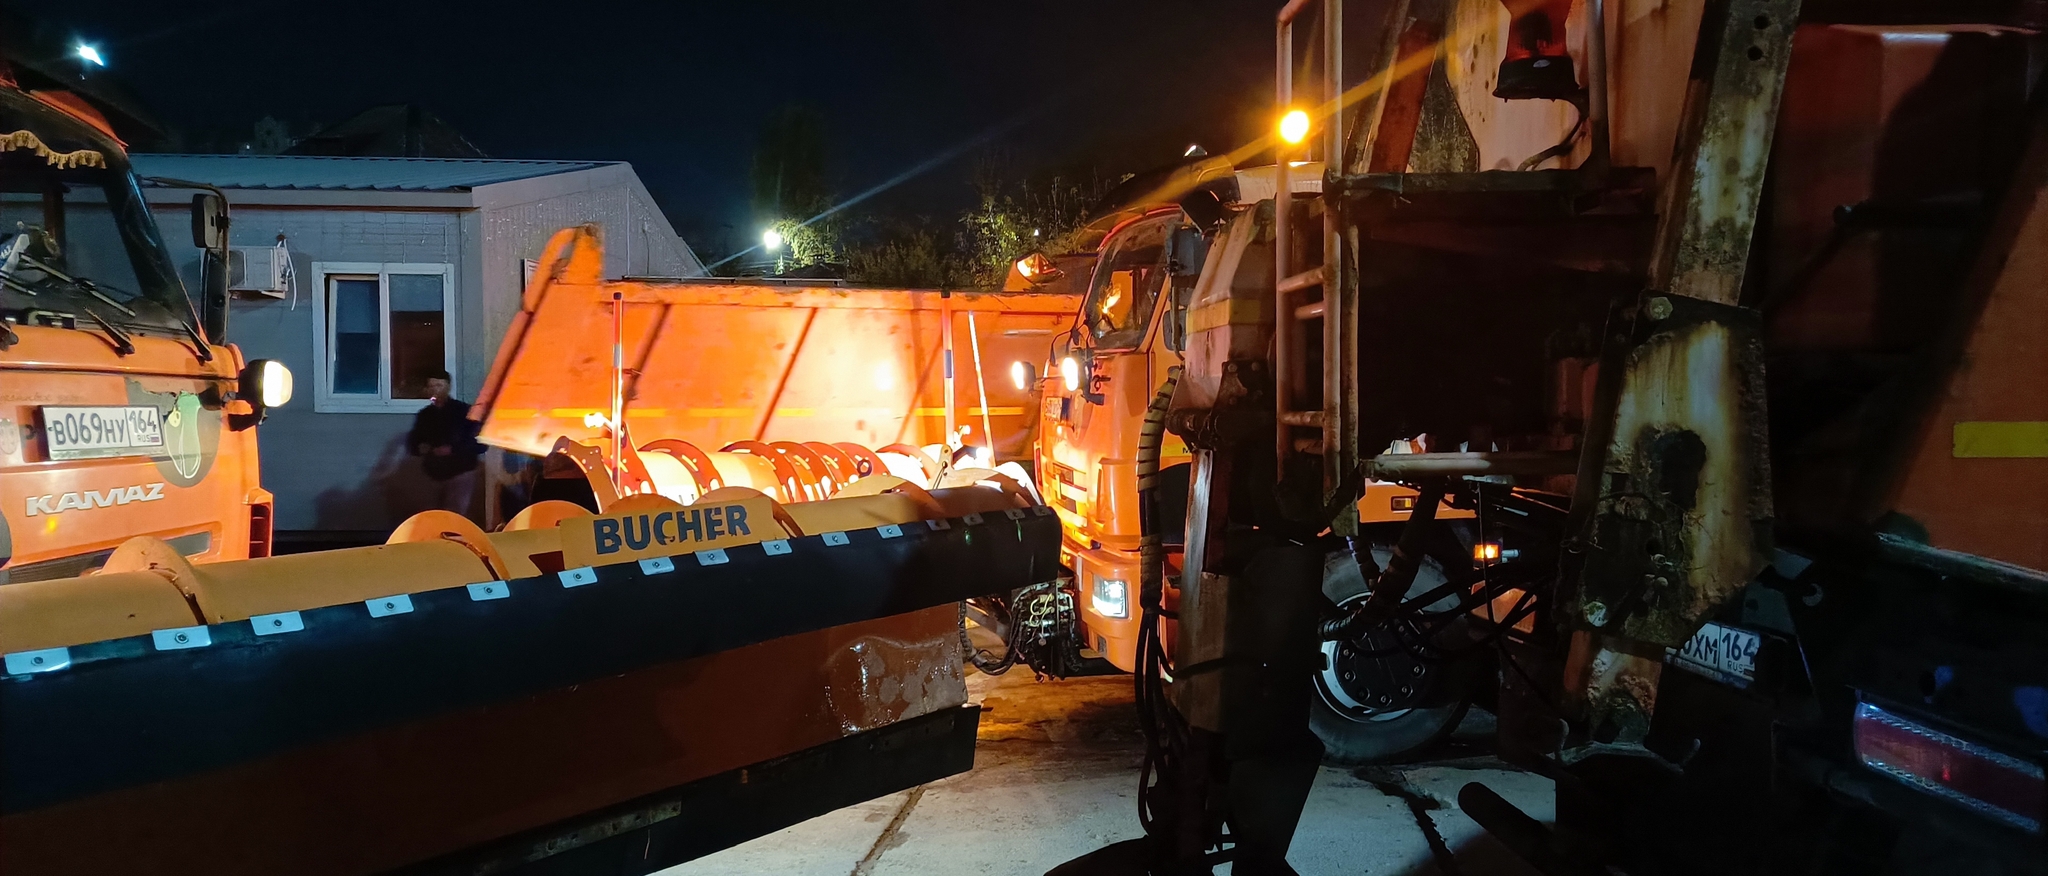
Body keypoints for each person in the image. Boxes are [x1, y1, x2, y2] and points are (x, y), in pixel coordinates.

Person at [408, 370, 483, 521]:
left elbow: (479, 443)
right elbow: (413, 442)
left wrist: (452, 449)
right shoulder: (425, 415)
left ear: (448, 386)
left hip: (460, 473)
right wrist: (421, 448)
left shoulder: (464, 412)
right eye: (431, 386)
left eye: (439, 385)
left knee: (455, 518)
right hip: (432, 474)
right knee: (431, 518)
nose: (435, 390)